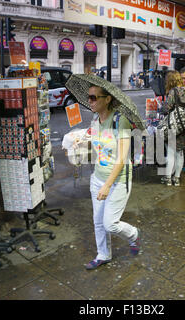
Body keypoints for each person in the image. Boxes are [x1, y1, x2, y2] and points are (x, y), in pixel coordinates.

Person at [80, 80, 141, 269]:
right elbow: (99, 150)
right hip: (97, 177)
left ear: (107, 99)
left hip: (118, 181)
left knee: (110, 223)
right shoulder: (95, 120)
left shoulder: (120, 120)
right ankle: (103, 254)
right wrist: (80, 146)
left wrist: (107, 185)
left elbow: (121, 158)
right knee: (98, 222)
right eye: (88, 97)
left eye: (93, 97)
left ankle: (133, 234)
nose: (89, 101)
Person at [160, 70, 185, 186]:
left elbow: (167, 109)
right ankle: (177, 178)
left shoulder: (172, 93)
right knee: (180, 153)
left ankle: (168, 178)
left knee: (170, 152)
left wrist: (162, 106)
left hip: (172, 125)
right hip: (183, 126)